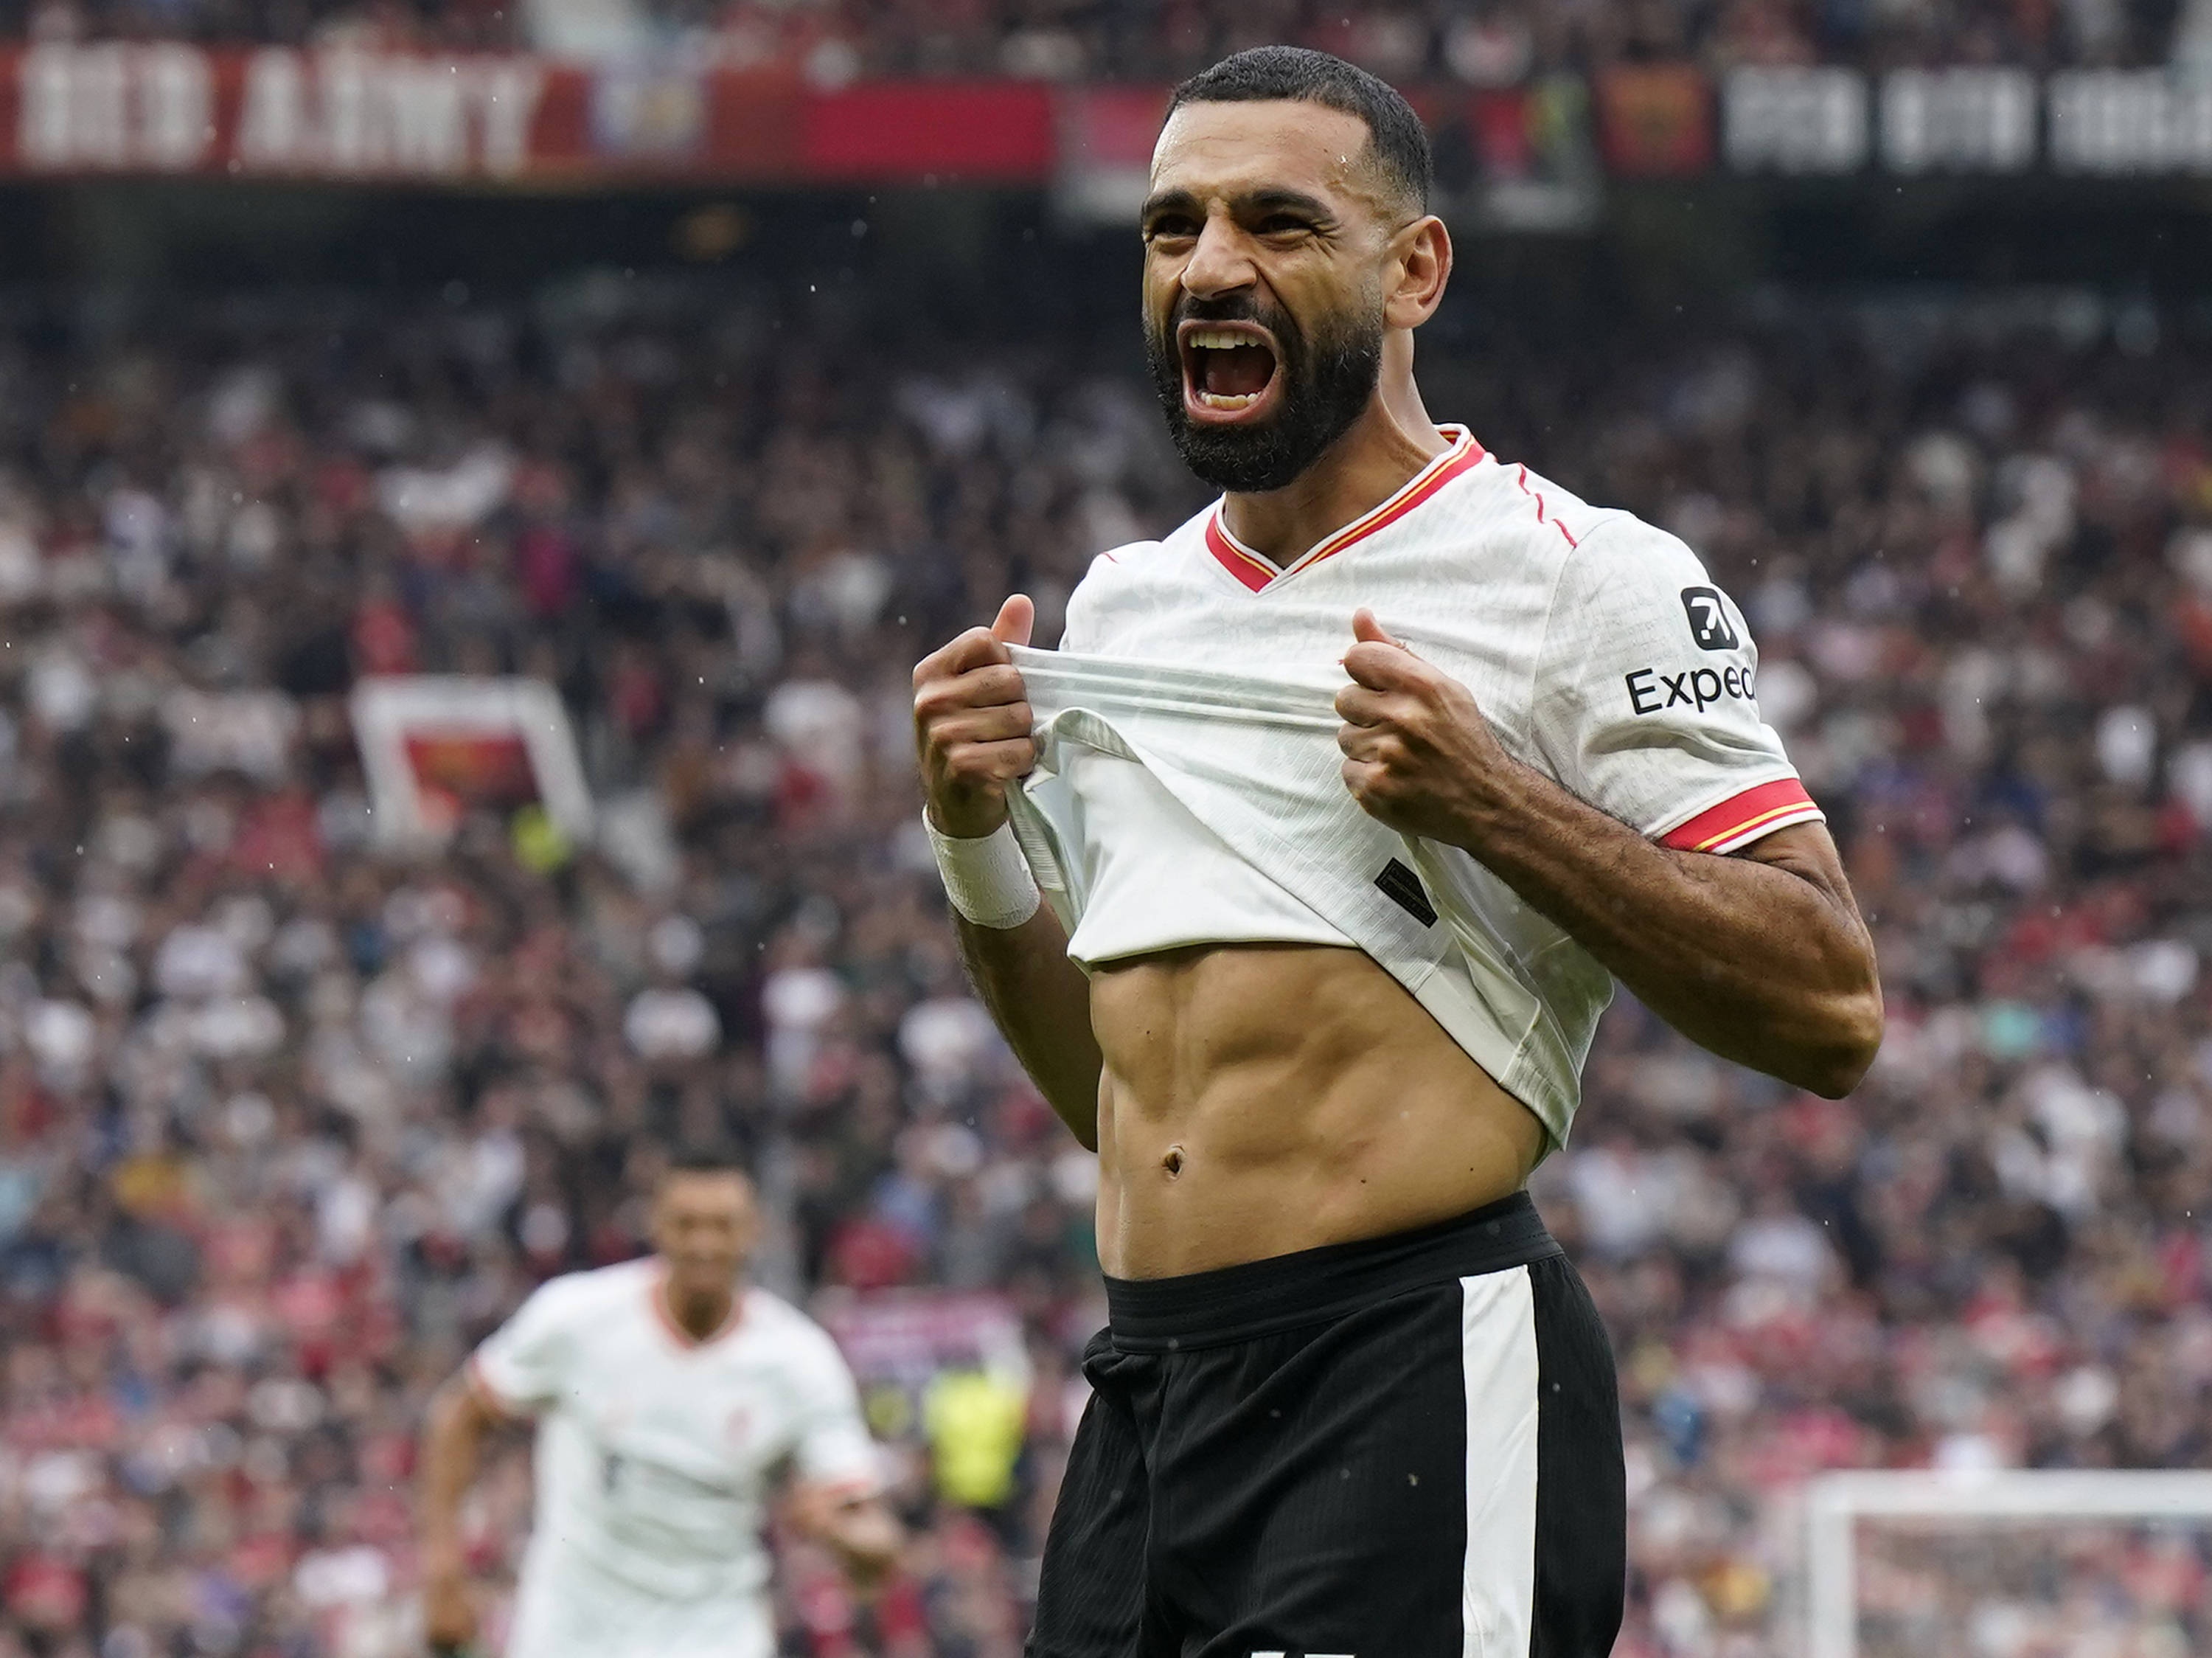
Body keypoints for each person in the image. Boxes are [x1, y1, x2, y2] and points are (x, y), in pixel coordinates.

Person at [910, 45, 1883, 1658]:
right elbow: (1122, 1101)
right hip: (1149, 1393)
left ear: (1414, 270)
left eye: (1278, 221)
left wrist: (1493, 800)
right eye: (1172, 227)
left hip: (1411, 1363)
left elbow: (1831, 1004)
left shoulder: (1577, 577)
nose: (1209, 266)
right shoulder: (1124, 609)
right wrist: (972, 840)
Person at [416, 1148, 902, 1658]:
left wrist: (842, 1534)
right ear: (656, 1226)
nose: (704, 1244)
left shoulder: (799, 1361)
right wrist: (443, 1570)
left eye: (722, 1226)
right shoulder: (577, 1318)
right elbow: (459, 1416)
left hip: (715, 1636)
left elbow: (873, 1538)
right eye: (686, 1224)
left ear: (754, 1230)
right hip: (573, 1632)